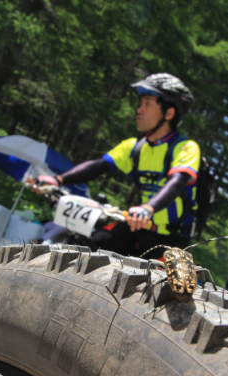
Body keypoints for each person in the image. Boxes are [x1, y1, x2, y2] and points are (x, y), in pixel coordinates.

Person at [32, 73, 200, 259]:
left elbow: (176, 182)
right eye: (140, 103)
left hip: (172, 239)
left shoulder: (185, 148)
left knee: (152, 282)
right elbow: (99, 165)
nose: (139, 109)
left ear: (169, 113)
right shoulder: (134, 147)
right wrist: (57, 180)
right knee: (95, 244)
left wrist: (148, 209)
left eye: (148, 104)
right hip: (137, 226)